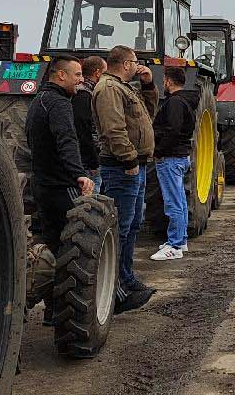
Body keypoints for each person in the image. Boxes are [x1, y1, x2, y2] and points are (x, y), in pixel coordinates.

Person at [24, 57, 96, 323]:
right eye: (77, 74)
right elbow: (67, 139)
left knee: (54, 245)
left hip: (42, 184)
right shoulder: (59, 103)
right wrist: (79, 174)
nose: (81, 79)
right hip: (61, 186)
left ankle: (53, 309)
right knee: (74, 249)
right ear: (60, 75)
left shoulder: (38, 101)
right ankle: (70, 312)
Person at [93, 45, 158, 311]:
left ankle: (127, 278)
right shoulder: (109, 88)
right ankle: (116, 289)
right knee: (121, 227)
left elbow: (147, 116)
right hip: (122, 168)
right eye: (135, 62)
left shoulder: (125, 88)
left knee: (132, 225)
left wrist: (148, 86)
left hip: (135, 166)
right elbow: (113, 129)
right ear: (126, 63)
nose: (138, 65)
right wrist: (129, 159)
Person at [150, 65, 198, 261]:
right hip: (179, 156)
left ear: (168, 81)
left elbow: (173, 130)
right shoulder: (186, 101)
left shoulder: (175, 103)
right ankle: (181, 239)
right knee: (179, 200)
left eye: (164, 81)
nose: (163, 84)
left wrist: (159, 150)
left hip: (171, 157)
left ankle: (175, 245)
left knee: (173, 203)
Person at [74, 56, 107, 191]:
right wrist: (93, 161)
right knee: (91, 196)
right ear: (97, 73)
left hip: (88, 156)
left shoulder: (86, 93)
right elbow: (83, 129)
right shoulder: (84, 95)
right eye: (105, 72)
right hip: (88, 160)